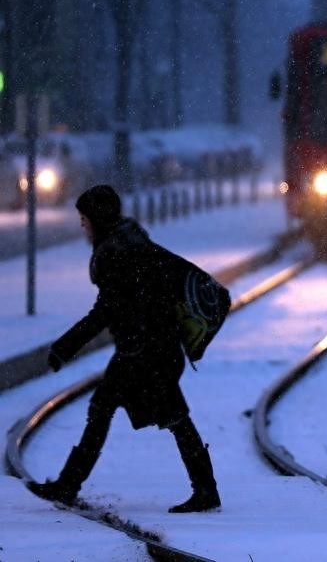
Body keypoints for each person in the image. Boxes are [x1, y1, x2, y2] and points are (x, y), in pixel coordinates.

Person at [28, 185, 221, 513]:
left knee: (109, 409)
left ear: (98, 219)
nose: (82, 225)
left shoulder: (117, 255)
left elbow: (105, 312)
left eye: (85, 218)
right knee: (168, 417)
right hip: (154, 348)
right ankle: (205, 488)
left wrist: (64, 348)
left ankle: (68, 485)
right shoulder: (132, 244)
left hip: (143, 352)